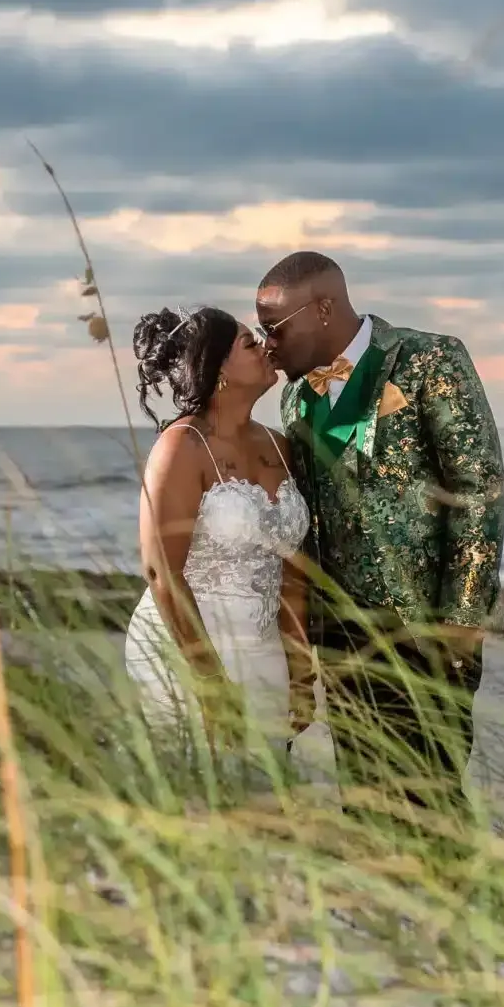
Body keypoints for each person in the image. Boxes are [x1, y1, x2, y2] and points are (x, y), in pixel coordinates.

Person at [257, 251, 504, 833]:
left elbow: (478, 491)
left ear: (322, 309)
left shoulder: (429, 359)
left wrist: (461, 619)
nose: (266, 344)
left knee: (431, 794)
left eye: (273, 327)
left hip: (426, 627)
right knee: (366, 799)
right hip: (341, 635)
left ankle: (463, 913)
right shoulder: (295, 396)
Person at [122, 306, 316, 771]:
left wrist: (301, 667)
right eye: (251, 344)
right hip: (187, 649)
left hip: (265, 647)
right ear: (218, 368)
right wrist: (209, 680)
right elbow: (159, 570)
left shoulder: (279, 445)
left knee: (262, 802)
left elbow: (291, 571)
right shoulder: (182, 446)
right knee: (197, 802)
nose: (268, 346)